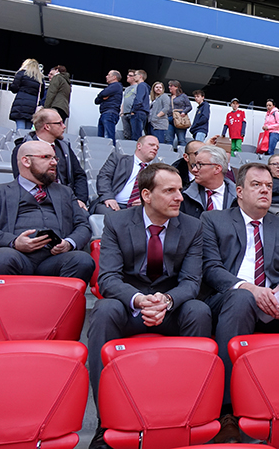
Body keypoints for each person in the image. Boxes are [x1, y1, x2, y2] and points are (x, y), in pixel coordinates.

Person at [200, 162, 279, 443]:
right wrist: (249, 288)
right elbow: (211, 268)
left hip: (274, 300)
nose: (264, 191)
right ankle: (228, 412)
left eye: (269, 186)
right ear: (239, 191)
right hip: (230, 298)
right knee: (241, 298)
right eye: (256, 185)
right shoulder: (214, 220)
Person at [85, 163, 212, 448]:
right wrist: (140, 300)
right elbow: (107, 279)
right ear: (146, 194)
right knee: (104, 310)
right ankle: (105, 423)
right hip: (131, 306)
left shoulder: (193, 226)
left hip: (171, 307)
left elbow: (192, 281)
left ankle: (191, 414)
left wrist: (166, 301)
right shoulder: (117, 222)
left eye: (180, 189)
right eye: (169, 191)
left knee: (199, 310)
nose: (179, 197)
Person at [0, 141, 94, 282]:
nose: (54, 162)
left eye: (55, 158)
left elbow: (83, 226)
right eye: (46, 157)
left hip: (55, 259)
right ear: (26, 161)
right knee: (2, 258)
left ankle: (59, 304)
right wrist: (14, 242)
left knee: (82, 260)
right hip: (15, 255)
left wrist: (68, 243)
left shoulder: (65, 192)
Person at [10, 107, 90, 210]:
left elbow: (79, 175)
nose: (64, 126)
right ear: (47, 127)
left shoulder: (64, 148)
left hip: (66, 201)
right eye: (59, 123)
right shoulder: (23, 149)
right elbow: (22, 181)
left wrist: (80, 199)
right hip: (35, 204)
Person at [93, 135, 160, 215]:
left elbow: (159, 191)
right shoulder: (117, 159)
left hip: (140, 208)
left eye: (157, 147)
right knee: (108, 213)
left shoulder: (157, 171)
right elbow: (103, 178)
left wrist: (147, 201)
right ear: (139, 146)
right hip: (113, 203)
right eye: (151, 145)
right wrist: (108, 198)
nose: (155, 148)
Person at [180, 145, 236, 218]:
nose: (194, 170)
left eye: (200, 165)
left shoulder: (240, 198)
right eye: (195, 165)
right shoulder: (184, 196)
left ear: (217, 169)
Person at [8, 58, 44, 130]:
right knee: (27, 129)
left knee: (20, 128)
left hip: (20, 104)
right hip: (32, 106)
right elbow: (42, 94)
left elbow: (14, 88)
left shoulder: (21, 74)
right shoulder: (40, 78)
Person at [95, 70, 123, 144]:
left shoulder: (116, 85)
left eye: (108, 75)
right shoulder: (111, 87)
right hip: (105, 113)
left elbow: (103, 93)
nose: (106, 76)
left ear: (114, 77)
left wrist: (102, 96)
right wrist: (102, 97)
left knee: (108, 137)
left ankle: (110, 154)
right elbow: (96, 100)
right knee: (101, 138)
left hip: (110, 113)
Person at [168, 80, 192, 151]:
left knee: (181, 139)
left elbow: (189, 106)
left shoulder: (183, 96)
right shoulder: (169, 97)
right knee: (168, 139)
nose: (169, 87)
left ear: (176, 87)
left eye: (171, 86)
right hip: (169, 118)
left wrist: (184, 112)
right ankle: (168, 154)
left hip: (179, 118)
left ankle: (183, 154)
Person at [128, 70, 151, 140]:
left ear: (140, 76)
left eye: (135, 75)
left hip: (138, 112)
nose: (133, 77)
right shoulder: (146, 86)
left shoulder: (141, 85)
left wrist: (133, 110)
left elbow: (139, 99)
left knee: (136, 135)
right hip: (143, 113)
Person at [120, 70, 136, 141]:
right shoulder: (126, 89)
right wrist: (121, 112)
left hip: (132, 113)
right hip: (125, 114)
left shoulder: (138, 87)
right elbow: (125, 100)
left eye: (130, 75)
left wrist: (134, 111)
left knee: (134, 134)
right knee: (126, 134)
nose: (127, 76)